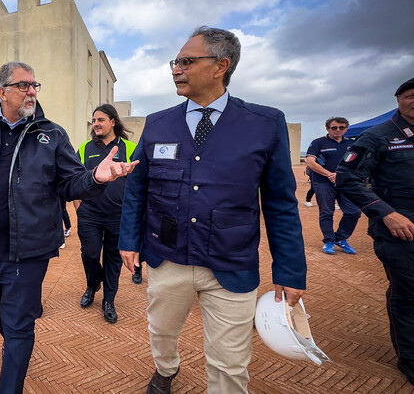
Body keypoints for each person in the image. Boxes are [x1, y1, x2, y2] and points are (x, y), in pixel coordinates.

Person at [119, 27, 307, 394]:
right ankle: (165, 369)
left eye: (186, 61)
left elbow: (281, 203)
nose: (176, 69)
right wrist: (129, 240)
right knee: (161, 330)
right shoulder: (158, 123)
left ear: (222, 65)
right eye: (175, 62)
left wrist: (290, 269)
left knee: (230, 364)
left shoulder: (265, 124)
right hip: (167, 258)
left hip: (231, 263)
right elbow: (137, 188)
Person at [0, 62, 138, 393]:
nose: (32, 91)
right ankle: (17, 343)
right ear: (2, 91)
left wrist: (96, 177)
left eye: (35, 85)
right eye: (24, 85)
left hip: (28, 251)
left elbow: (71, 182)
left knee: (19, 326)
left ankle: (16, 356)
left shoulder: (51, 134)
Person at [337, 77, 414, 386]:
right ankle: (409, 357)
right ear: (398, 99)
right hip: (400, 228)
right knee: (409, 292)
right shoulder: (378, 136)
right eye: (411, 95)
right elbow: (347, 177)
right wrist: (387, 213)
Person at [73, 104, 136, 323]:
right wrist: (79, 208)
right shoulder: (84, 148)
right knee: (89, 254)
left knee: (113, 260)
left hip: (118, 216)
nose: (96, 124)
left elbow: (138, 183)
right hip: (89, 214)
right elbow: (75, 181)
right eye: (94, 121)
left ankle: (108, 300)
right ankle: (93, 283)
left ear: (112, 122)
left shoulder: (130, 148)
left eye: (101, 119)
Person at [306, 117, 362, 254]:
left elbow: (357, 161)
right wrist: (329, 174)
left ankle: (341, 238)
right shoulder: (318, 143)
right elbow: (311, 162)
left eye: (342, 127)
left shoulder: (352, 144)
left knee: (354, 211)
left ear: (346, 129)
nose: (338, 130)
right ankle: (329, 241)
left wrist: (341, 176)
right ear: (328, 129)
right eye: (334, 128)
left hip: (345, 182)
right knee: (326, 212)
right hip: (323, 182)